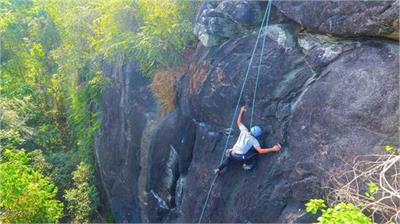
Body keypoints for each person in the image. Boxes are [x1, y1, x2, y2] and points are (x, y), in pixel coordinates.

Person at [214, 106, 281, 174]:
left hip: (232, 152)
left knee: (229, 158)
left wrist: (241, 111)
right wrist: (273, 149)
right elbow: (260, 151)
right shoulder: (254, 140)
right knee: (255, 153)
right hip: (239, 157)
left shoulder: (244, 131)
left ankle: (218, 169)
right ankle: (246, 165)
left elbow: (238, 122)